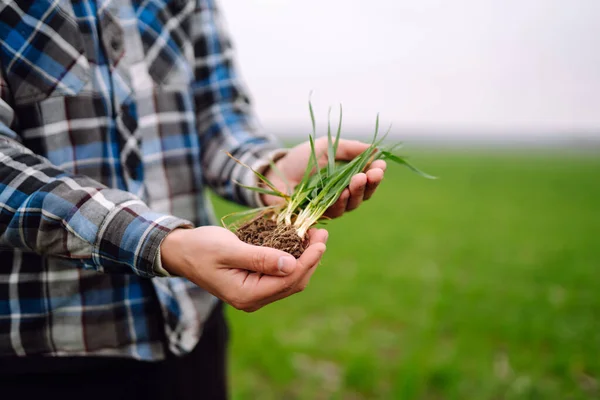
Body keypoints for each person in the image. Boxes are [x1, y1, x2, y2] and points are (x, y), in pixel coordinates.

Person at [0, 1, 386, 399]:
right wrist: (164, 243)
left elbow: (217, 115)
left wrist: (272, 170)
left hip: (193, 326)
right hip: (45, 349)